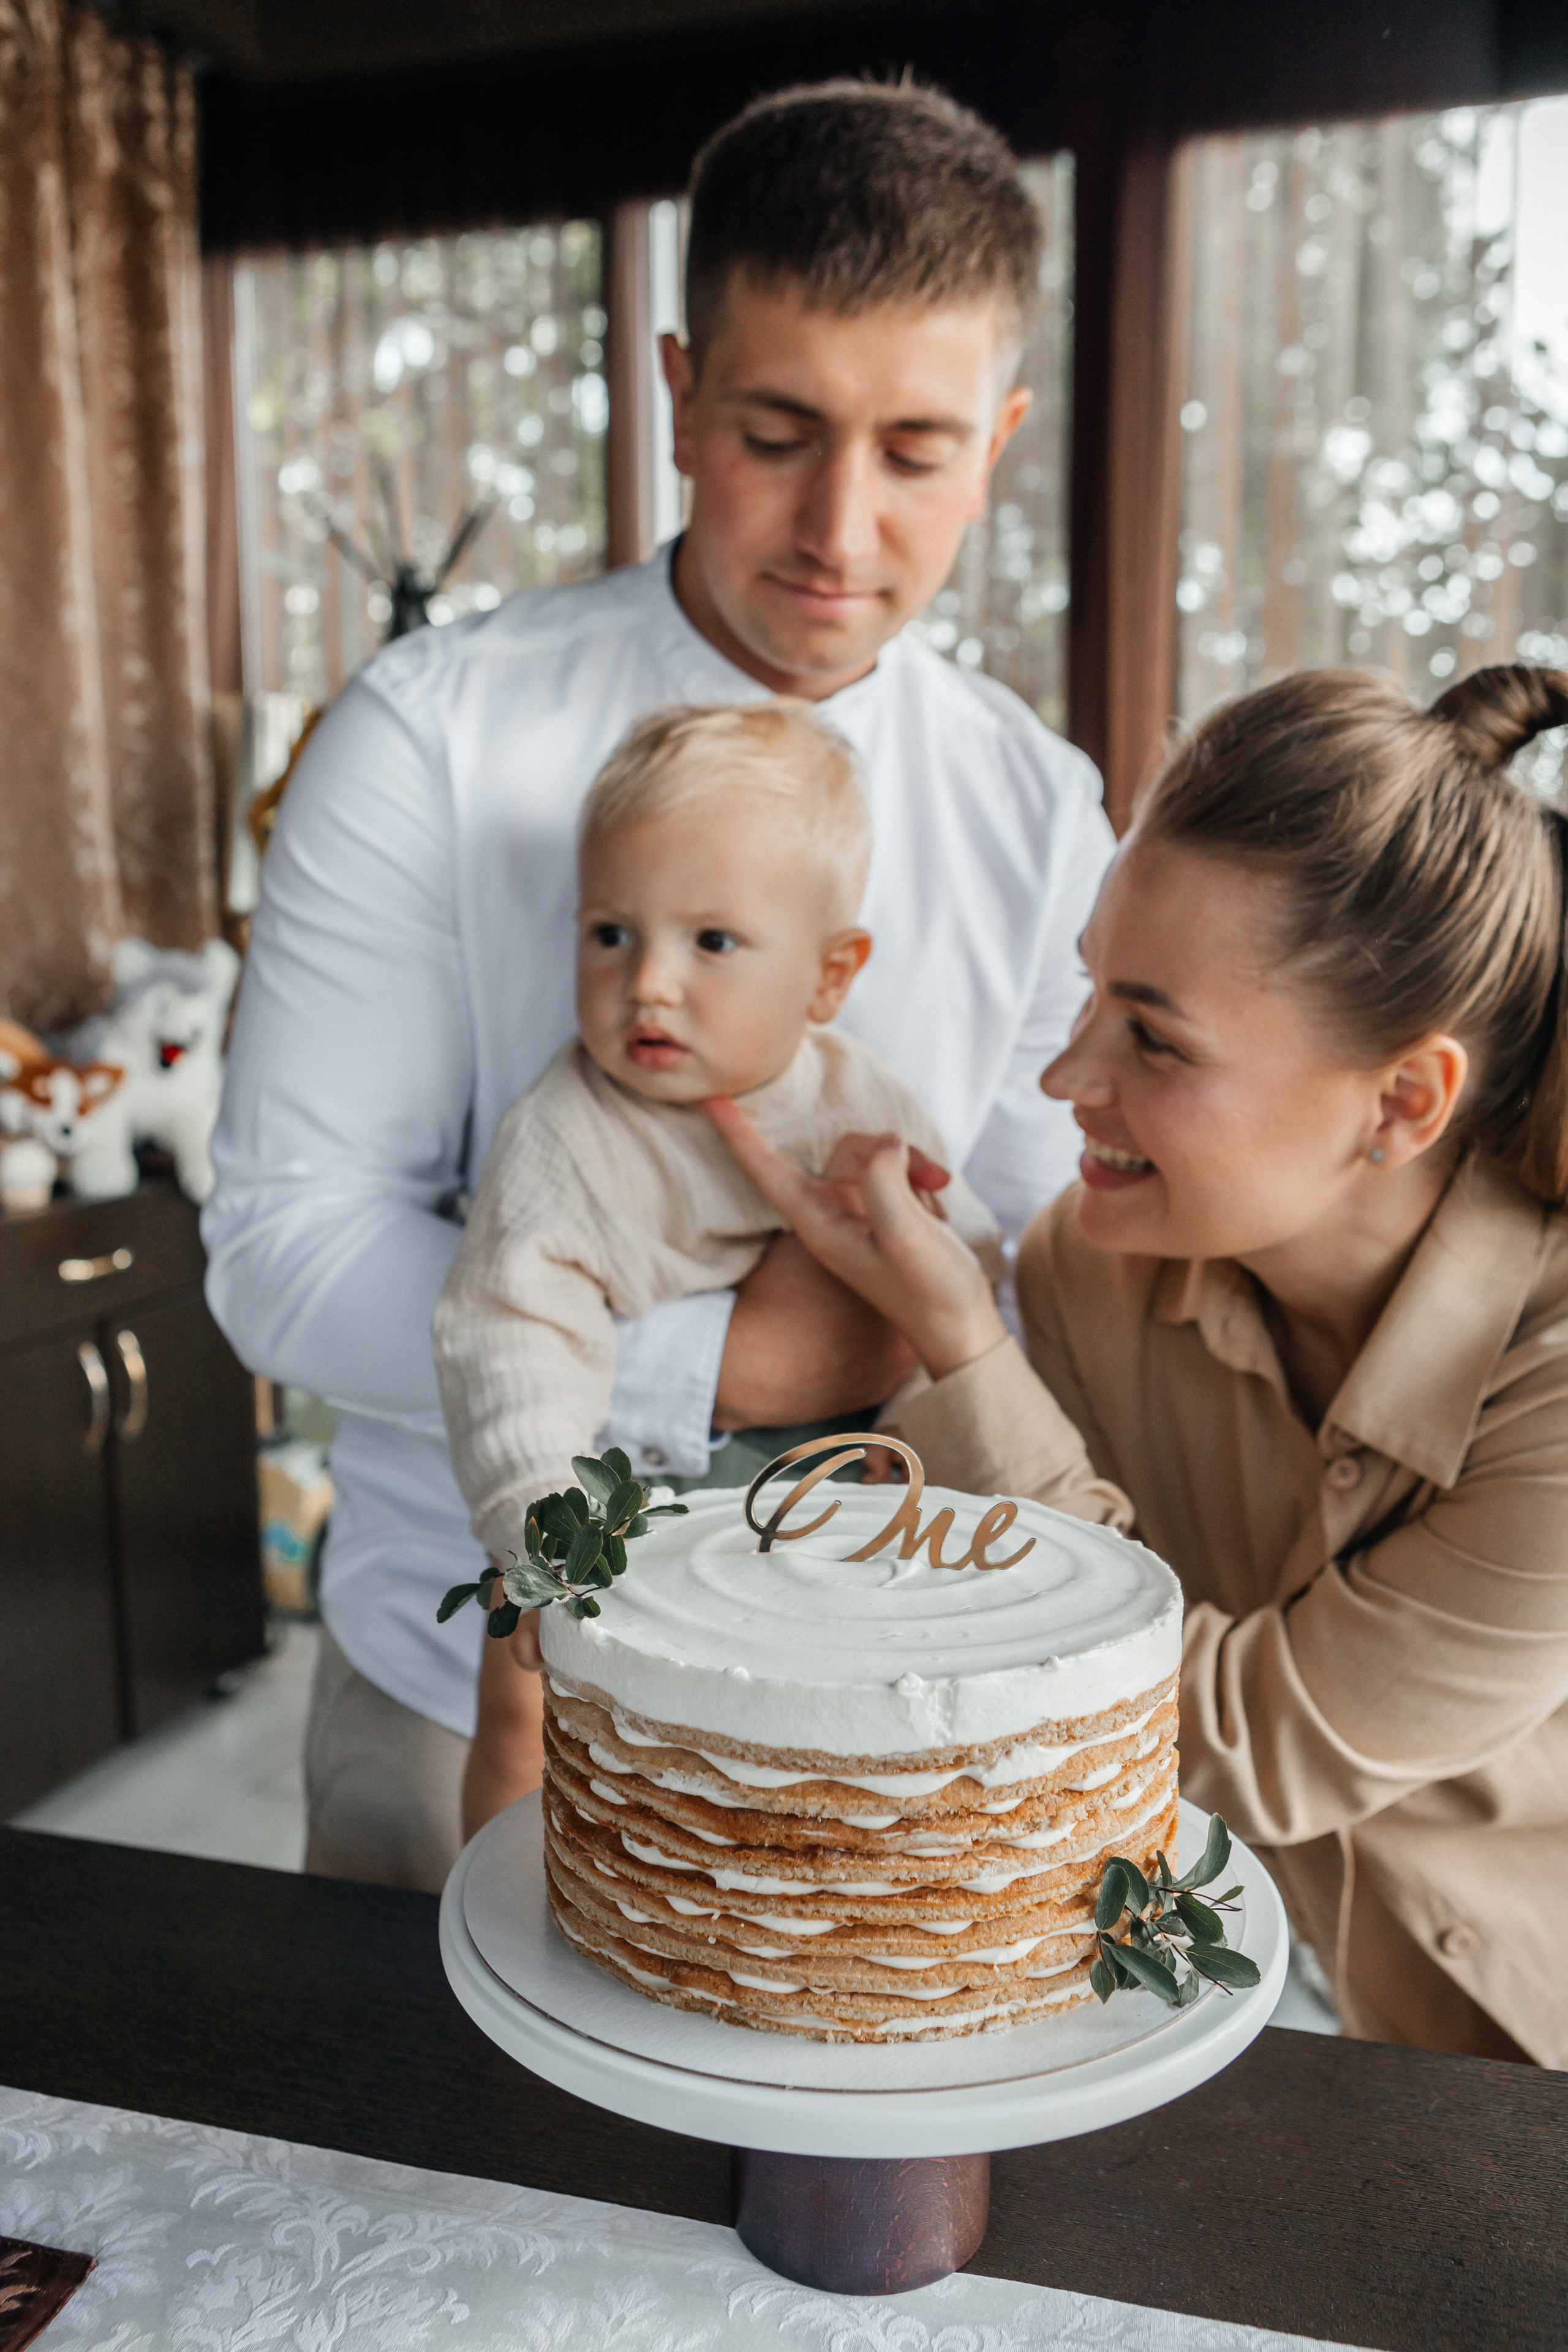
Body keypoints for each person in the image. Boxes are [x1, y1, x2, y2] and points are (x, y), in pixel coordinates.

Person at [203, 78, 1114, 1890]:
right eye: (779, 430)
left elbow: (1050, 1254)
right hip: (464, 1694)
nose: (840, 529)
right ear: (680, 392)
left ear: (1001, 437)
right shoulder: (430, 742)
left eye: (918, 451)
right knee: (430, 2176)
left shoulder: (1042, 807)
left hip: (872, 1700)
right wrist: (723, 1360)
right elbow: (283, 1252)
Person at [708, 662, 1568, 2068]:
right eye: (1090, 991)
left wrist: (962, 1348)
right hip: (1173, 2003)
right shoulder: (1082, 1261)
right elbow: (1001, 1644)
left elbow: (1221, 1738)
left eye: (1152, 1037)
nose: (1065, 1080)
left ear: (1401, 1102)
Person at [436, 699, 999, 1826]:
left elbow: (962, 1276)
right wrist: (543, 1532)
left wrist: (913, 1411)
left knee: (810, 1739)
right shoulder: (564, 1132)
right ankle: (520, 1894)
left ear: (829, 977)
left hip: (833, 1491)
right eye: (612, 934)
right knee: (524, 1693)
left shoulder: (864, 1104)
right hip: (619, 1497)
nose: (648, 983)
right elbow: (512, 1337)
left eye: (711, 943)